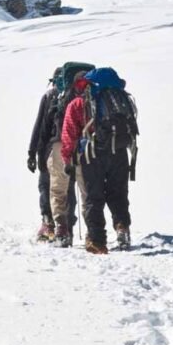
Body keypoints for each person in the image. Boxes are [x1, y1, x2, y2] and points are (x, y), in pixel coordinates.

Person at [61, 68, 138, 254]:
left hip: (91, 155)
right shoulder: (122, 99)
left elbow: (69, 134)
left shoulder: (78, 104)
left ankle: (97, 241)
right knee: (118, 193)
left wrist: (67, 160)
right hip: (119, 152)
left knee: (93, 198)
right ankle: (122, 228)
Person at [27, 68, 76, 242]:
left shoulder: (51, 96)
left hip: (51, 148)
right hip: (76, 148)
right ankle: (67, 225)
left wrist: (33, 152)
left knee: (47, 185)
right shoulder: (77, 96)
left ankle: (49, 224)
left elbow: (40, 126)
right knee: (68, 187)